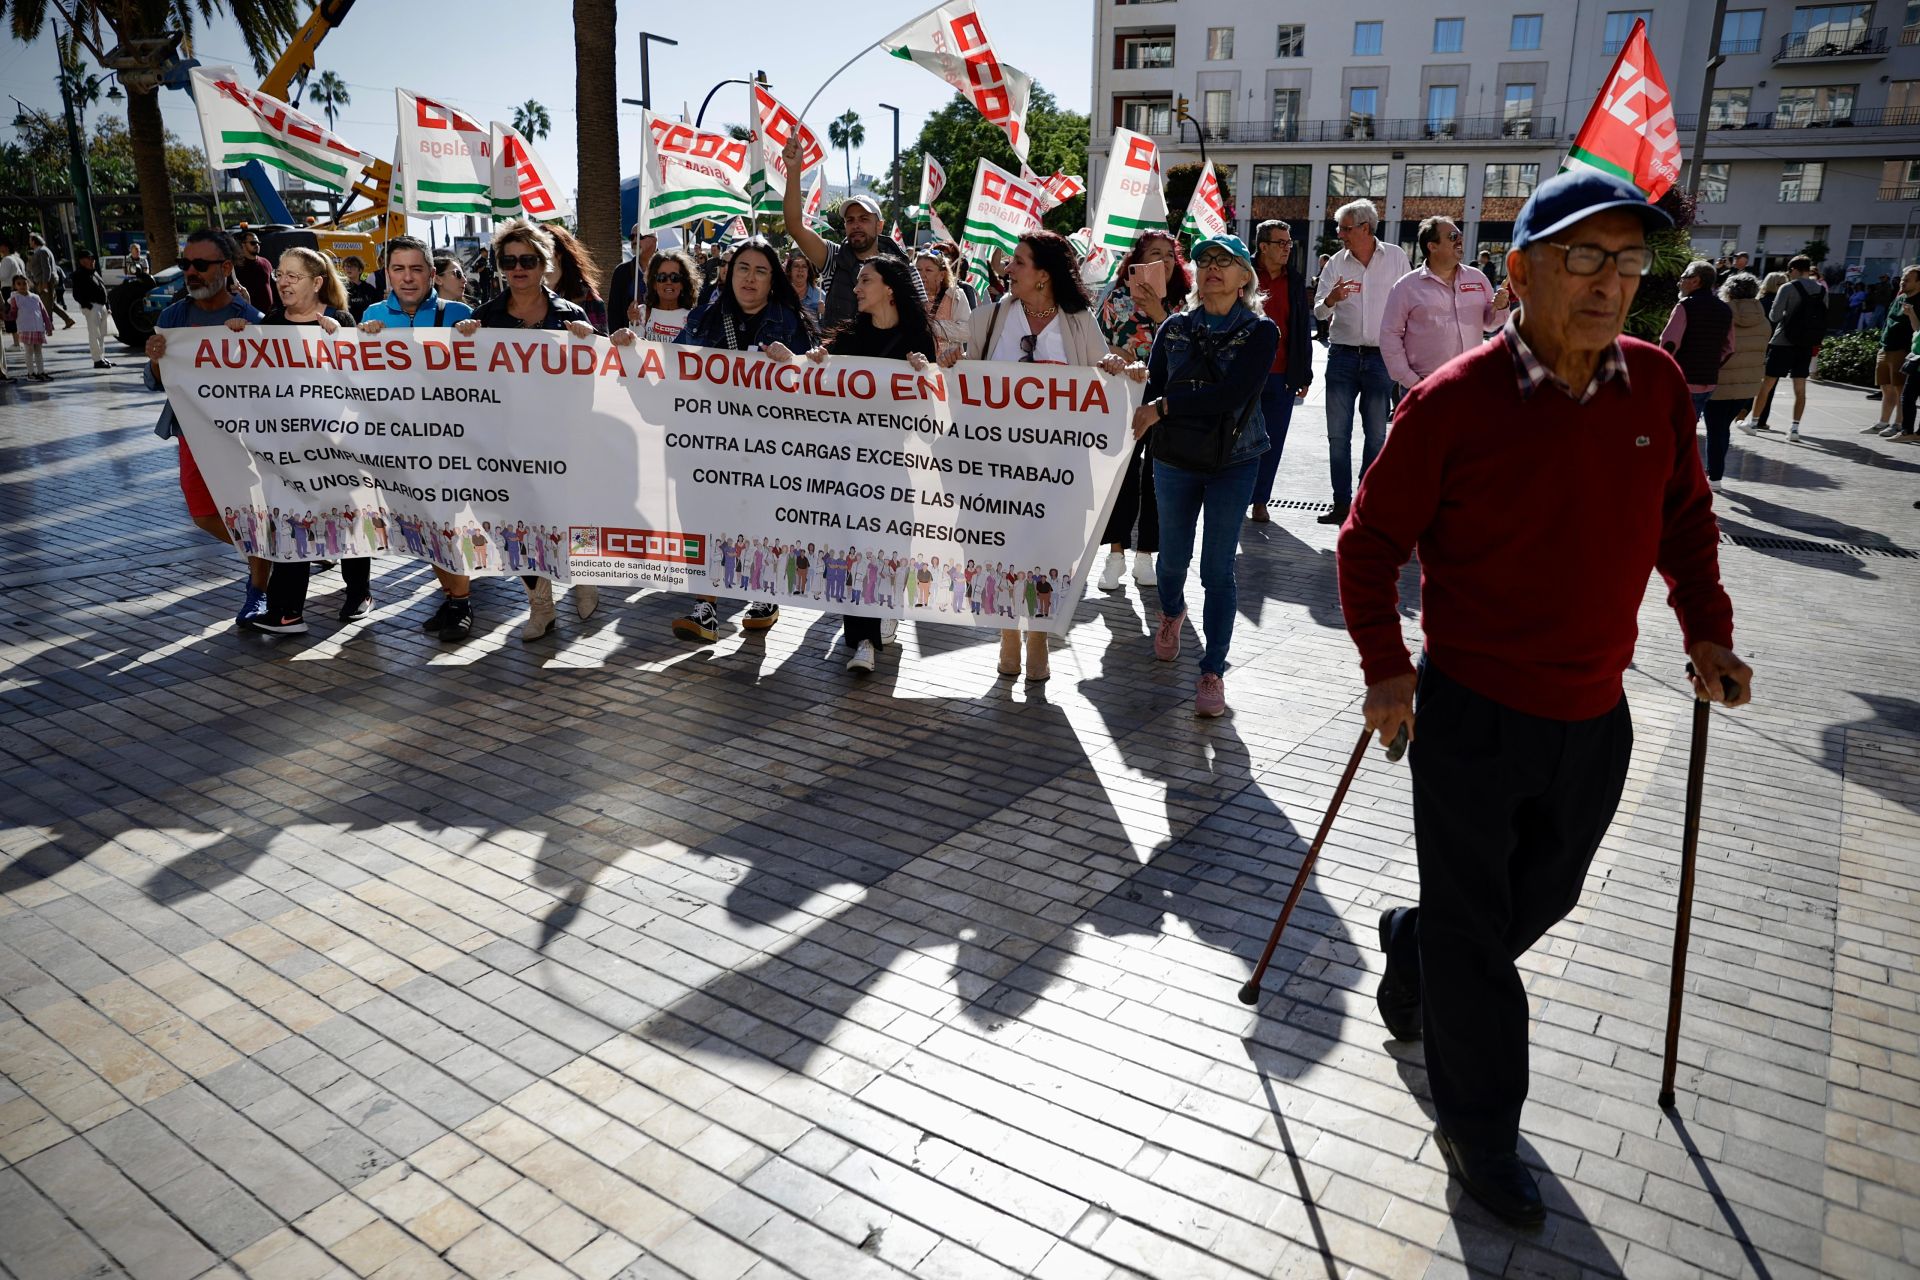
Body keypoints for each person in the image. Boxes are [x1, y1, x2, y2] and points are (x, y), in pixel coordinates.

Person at [1337, 169, 1751, 1227]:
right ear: (1518, 271)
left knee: (1542, 900)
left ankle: (1413, 935)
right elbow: (1370, 540)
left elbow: (1686, 522)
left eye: (1628, 262)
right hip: (1470, 712)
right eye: (1584, 257)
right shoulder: (1451, 403)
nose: (1612, 283)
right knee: (1481, 944)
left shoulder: (1657, 384)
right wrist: (1387, 664)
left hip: (1595, 716)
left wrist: (1708, 627)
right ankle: (1479, 1129)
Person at [945, 230, 1124, 681]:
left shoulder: (1080, 321)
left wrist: (1120, 371)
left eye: (1019, 262)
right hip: (994, 465)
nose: (1009, 268)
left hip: (1059, 469)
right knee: (998, 550)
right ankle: (1008, 635)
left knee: (1050, 552)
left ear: (1043, 275)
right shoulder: (989, 317)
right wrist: (949, 361)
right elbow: (965, 374)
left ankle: (1039, 637)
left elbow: (1101, 379)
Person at [1132, 235, 1278, 717]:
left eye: (1225, 261)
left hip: (1234, 461)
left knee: (1218, 569)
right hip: (1174, 457)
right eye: (1204, 260)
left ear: (1244, 277)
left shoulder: (1261, 332)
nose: (1212, 267)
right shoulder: (1174, 328)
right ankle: (1171, 611)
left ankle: (1212, 670)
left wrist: (1166, 407)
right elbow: (1152, 389)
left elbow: (1232, 394)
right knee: (1171, 561)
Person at [656, 236, 815, 643]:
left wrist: (793, 362)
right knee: (701, 520)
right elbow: (669, 367)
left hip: (764, 450)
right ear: (729, 274)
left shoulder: (791, 322)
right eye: (743, 268)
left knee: (758, 519)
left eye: (761, 271)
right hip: (706, 446)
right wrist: (629, 352)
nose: (750, 277)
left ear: (772, 280)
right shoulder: (702, 318)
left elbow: (816, 381)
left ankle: (763, 594)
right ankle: (705, 606)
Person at [453, 219, 600, 640]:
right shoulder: (484, 319)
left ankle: (584, 575)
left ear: (544, 263)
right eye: (510, 260)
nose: (519, 268)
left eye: (528, 260)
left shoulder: (571, 316)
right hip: (507, 444)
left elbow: (601, 376)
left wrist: (591, 341)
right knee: (517, 523)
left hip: (564, 440)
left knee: (576, 514)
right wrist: (462, 341)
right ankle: (541, 605)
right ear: (500, 265)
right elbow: (464, 382)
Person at [802, 255, 939, 673]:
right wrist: (805, 361)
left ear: (890, 288)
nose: (857, 288)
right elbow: (810, 373)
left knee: (889, 549)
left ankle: (885, 612)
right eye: (858, 280)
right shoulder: (849, 339)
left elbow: (929, 420)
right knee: (852, 548)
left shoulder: (918, 342)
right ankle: (862, 640)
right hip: (849, 468)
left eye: (866, 280)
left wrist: (925, 376)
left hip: (895, 471)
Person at [142, 228, 269, 624]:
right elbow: (157, 381)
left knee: (249, 513)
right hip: (190, 433)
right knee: (201, 513)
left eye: (200, 265)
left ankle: (259, 588)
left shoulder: (250, 319)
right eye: (185, 265)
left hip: (241, 437)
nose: (190, 273)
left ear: (226, 268)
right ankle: (263, 554)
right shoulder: (173, 317)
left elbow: (272, 381)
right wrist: (157, 360)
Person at [357, 236, 478, 638]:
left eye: (416, 269)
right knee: (420, 525)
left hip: (448, 446)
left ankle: (461, 604)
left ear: (430, 273)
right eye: (398, 269)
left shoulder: (458, 312)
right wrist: (360, 341)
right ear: (387, 274)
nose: (407, 278)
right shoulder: (373, 314)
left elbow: (488, 375)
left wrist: (473, 336)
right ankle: (451, 598)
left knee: (446, 522)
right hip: (396, 447)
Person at [240, 248, 363, 634]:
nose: (283, 282)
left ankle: (358, 592)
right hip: (287, 448)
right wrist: (233, 336)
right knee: (290, 520)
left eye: (293, 275)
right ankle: (286, 611)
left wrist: (341, 340)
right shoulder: (271, 322)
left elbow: (361, 380)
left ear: (317, 282)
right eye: (280, 274)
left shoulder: (339, 320)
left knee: (344, 519)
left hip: (335, 445)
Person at [1095, 230, 1188, 589]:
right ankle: (1115, 553)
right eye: (1154, 253)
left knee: (1158, 478)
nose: (1162, 261)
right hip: (1123, 394)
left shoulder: (1186, 303)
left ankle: (1146, 555)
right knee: (1122, 475)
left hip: (1166, 398)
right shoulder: (1116, 298)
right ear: (1137, 261)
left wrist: (1159, 313)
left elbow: (1189, 348)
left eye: (1169, 254)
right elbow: (1098, 342)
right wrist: (1120, 358)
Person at [1314, 199, 1412, 524]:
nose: (1339, 234)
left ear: (1365, 228)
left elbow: (1410, 303)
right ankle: (1341, 504)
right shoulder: (1335, 265)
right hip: (1341, 356)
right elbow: (1318, 311)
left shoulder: (1396, 257)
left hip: (1381, 357)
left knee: (1376, 435)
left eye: (1345, 228)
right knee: (1337, 436)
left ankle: (1363, 502)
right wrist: (1331, 299)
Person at [780, 133, 922, 331]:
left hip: (889, 360)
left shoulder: (904, 267)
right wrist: (794, 170)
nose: (856, 225)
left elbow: (921, 319)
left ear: (879, 226)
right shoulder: (832, 258)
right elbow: (795, 226)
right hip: (840, 359)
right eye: (850, 220)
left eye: (864, 219)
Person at [1380, 217, 1510, 397]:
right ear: (1432, 246)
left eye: (1460, 236)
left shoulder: (1477, 278)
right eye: (1452, 236)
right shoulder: (1406, 286)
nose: (1460, 240)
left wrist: (1500, 307)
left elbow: (1489, 324)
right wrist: (1411, 381)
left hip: (1469, 384)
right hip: (1424, 387)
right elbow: (1390, 334)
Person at [1246, 221, 1314, 524]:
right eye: (1281, 243)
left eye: (1289, 243)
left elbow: (1301, 327)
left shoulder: (1295, 281)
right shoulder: (1242, 275)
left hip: (1282, 373)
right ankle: (1238, 495)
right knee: (1241, 440)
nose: (1288, 248)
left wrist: (1305, 374)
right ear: (1263, 246)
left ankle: (1260, 500)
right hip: (1245, 375)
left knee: (1272, 441)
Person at [1741, 255, 1825, 440]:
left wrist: (1789, 313)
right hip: (1805, 344)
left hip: (1783, 341)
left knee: (1767, 384)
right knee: (1800, 387)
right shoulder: (1820, 289)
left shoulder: (1788, 287)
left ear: (1794, 269)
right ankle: (1794, 429)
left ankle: (1754, 422)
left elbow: (1774, 316)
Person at [1703, 272, 1769, 490]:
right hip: (1747, 385)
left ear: (1728, 291)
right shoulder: (1763, 318)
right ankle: (1715, 473)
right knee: (1722, 427)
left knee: (1715, 429)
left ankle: (1715, 476)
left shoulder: (1720, 314)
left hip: (1719, 380)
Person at [1658, 261, 1734, 428]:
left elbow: (1669, 344)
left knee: (1668, 429)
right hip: (1708, 381)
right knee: (1687, 429)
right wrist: (1710, 365)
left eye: (1683, 277)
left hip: (1681, 380)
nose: (1680, 282)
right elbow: (1729, 349)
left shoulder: (1685, 306)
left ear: (1695, 281)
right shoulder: (1725, 309)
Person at [1873, 266, 1920, 436]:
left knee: (1901, 389)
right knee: (1886, 387)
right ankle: (1883, 422)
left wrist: (1912, 314)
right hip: (1886, 347)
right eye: (1902, 279)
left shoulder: (1918, 301)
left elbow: (1918, 330)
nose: (1903, 282)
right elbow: (1889, 321)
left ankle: (1898, 424)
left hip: (1903, 349)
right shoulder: (1900, 298)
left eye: (1907, 280)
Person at [623, 249, 696, 342]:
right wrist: (634, 324)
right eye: (662, 277)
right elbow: (635, 349)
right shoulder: (641, 313)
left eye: (675, 277)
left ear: (683, 283)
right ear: (654, 284)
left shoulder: (693, 318)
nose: (668, 282)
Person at [916, 249, 969, 363]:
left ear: (942, 275)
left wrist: (933, 327)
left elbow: (967, 331)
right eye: (918, 269)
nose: (921, 275)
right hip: (918, 366)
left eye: (928, 270)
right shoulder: (910, 296)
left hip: (948, 366)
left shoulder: (955, 296)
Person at [70, 247, 113, 369]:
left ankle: (102, 357)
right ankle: (97, 360)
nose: (92, 261)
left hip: (102, 306)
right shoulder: (79, 275)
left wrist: (108, 306)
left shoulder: (94, 272)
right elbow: (76, 294)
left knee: (101, 335)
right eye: (89, 259)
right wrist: (88, 306)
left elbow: (103, 289)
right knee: (94, 334)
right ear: (82, 261)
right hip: (92, 307)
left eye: (92, 258)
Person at [25, 233, 75, 329]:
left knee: (46, 303)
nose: (29, 242)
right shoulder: (40, 251)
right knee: (50, 303)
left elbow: (46, 268)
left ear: (34, 241)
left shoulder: (42, 251)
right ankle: (68, 320)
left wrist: (45, 283)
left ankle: (49, 324)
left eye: (30, 240)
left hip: (45, 281)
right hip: (43, 280)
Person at [609, 226, 656, 330]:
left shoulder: (666, 270)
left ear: (654, 241)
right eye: (632, 237)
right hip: (629, 339)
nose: (635, 240)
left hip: (661, 338)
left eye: (640, 236)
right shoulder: (621, 272)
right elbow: (614, 313)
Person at [7, 275, 52, 379]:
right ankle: (31, 373)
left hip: (38, 328)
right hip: (25, 328)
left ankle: (41, 372)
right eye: (19, 284)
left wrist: (48, 326)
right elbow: (13, 313)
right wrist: (5, 317)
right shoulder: (15, 298)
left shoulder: (35, 297)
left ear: (28, 284)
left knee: (38, 351)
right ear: (14, 286)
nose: (22, 286)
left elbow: (43, 312)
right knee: (29, 350)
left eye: (24, 283)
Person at [232, 229, 276, 311]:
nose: (257, 245)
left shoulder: (266, 263)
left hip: (269, 315)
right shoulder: (236, 267)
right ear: (243, 245)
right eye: (253, 243)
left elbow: (274, 288)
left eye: (258, 243)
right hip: (248, 314)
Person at [787, 251, 824, 325]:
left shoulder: (820, 295)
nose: (800, 270)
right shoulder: (782, 294)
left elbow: (827, 329)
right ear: (789, 270)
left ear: (808, 271)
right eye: (796, 266)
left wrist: (823, 314)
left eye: (804, 266)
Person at [341, 255, 382, 320]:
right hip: (348, 326)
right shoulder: (340, 288)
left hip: (367, 324)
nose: (349, 268)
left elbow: (377, 306)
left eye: (353, 266)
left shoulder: (369, 288)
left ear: (360, 270)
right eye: (346, 266)